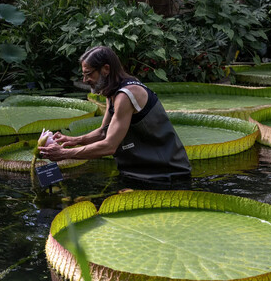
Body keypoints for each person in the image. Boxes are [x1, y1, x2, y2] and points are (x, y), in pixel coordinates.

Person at [38, 46, 191, 181]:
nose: (85, 80)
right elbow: (104, 132)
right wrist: (74, 139)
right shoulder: (112, 93)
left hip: (166, 175)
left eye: (89, 74)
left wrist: (64, 153)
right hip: (141, 172)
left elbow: (109, 146)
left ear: (106, 69)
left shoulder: (126, 95)